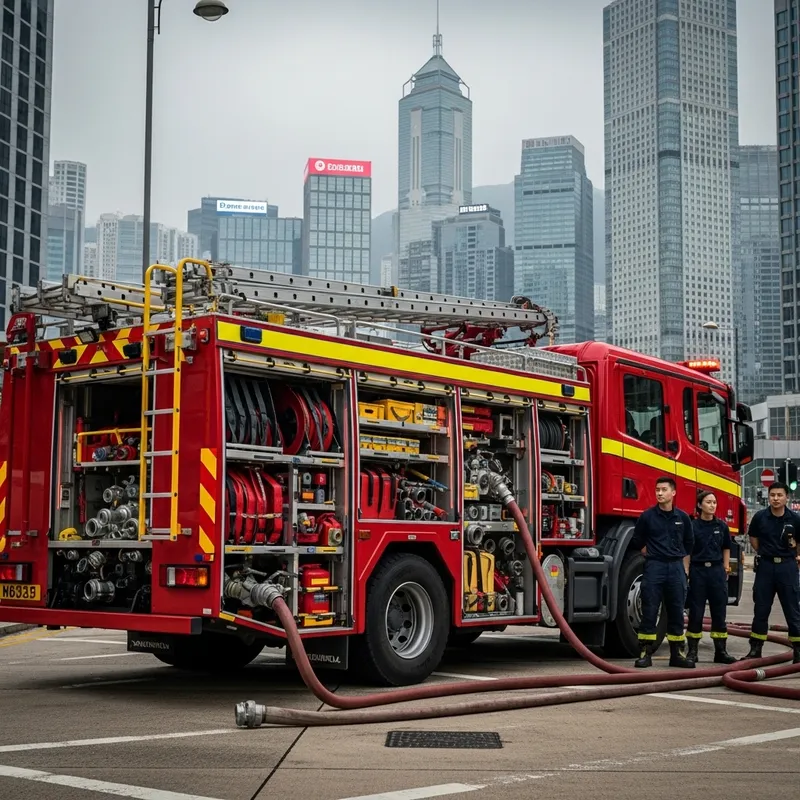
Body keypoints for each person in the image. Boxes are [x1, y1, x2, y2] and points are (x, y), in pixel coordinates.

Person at [629, 476, 695, 669]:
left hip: (675, 567)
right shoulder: (647, 517)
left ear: (673, 493)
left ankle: (677, 654)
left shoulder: (682, 518)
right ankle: (645, 653)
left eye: (664, 490)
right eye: (657, 490)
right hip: (654, 566)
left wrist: (682, 564)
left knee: (676, 610)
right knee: (649, 609)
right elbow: (637, 540)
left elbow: (689, 542)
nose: (659, 493)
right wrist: (650, 553)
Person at [743, 481, 800, 664]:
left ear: (786, 497)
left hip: (787, 567)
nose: (775, 498)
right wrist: (764, 552)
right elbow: (753, 538)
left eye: (779, 495)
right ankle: (755, 649)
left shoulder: (795, 519)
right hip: (766, 567)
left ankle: (798, 651)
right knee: (761, 608)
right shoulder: (760, 517)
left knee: (792, 609)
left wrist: (796, 556)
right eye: (772, 495)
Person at [684, 491, 736, 664]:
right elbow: (687, 551)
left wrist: (726, 568)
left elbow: (726, 547)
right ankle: (692, 651)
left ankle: (720, 651)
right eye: (708, 502)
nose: (712, 505)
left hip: (716, 571)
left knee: (719, 612)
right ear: (700, 505)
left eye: (714, 502)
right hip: (698, 571)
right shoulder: (692, 526)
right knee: (696, 612)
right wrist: (686, 571)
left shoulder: (722, 526)